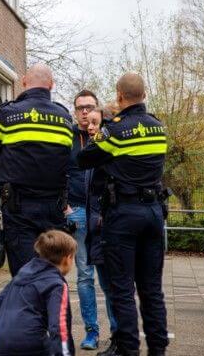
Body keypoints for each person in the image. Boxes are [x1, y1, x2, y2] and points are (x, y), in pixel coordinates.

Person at [78, 73, 169, 356]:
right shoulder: (158, 127)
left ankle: (129, 349)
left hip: (123, 216)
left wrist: (98, 134)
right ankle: (158, 349)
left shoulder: (115, 131)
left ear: (119, 95)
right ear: (144, 94)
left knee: (122, 290)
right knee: (152, 290)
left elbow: (84, 159)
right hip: (154, 213)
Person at [0, 63, 74, 276]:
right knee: (52, 271)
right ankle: (54, 307)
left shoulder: (9, 115)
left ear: (24, 82)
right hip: (54, 207)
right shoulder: (64, 118)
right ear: (51, 85)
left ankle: (28, 307)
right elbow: (66, 157)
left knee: (25, 274)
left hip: (18, 208)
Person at [0, 230, 77, 356]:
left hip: (0, 344)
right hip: (31, 344)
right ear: (67, 258)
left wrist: (5, 335)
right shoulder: (56, 284)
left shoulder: (23, 273)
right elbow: (59, 327)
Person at [66, 90, 101, 349]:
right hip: (76, 210)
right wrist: (64, 206)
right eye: (80, 108)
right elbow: (58, 171)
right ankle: (92, 332)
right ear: (75, 111)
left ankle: (119, 332)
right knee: (85, 276)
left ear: (97, 108)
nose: (85, 111)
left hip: (104, 213)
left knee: (111, 276)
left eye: (89, 107)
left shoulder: (108, 134)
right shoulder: (68, 137)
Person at [83, 108, 118, 351]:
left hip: (106, 227)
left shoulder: (107, 154)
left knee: (113, 286)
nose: (90, 127)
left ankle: (119, 336)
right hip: (94, 227)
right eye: (89, 123)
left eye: (96, 123)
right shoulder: (93, 153)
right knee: (106, 285)